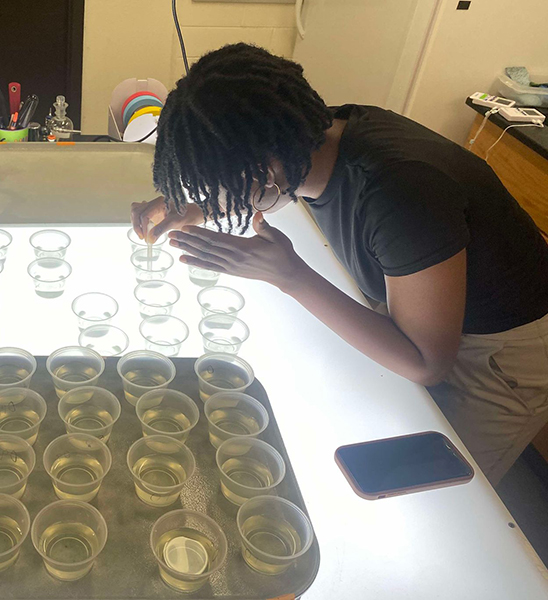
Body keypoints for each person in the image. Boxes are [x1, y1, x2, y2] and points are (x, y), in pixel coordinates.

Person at [132, 43, 548, 486]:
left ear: (267, 168)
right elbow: (277, 184)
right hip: (431, 314)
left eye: (219, 184)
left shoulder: (399, 193)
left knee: (441, 490)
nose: (214, 197)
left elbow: (426, 361)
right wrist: (200, 205)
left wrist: (290, 275)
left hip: (500, 356)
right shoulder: (315, 134)